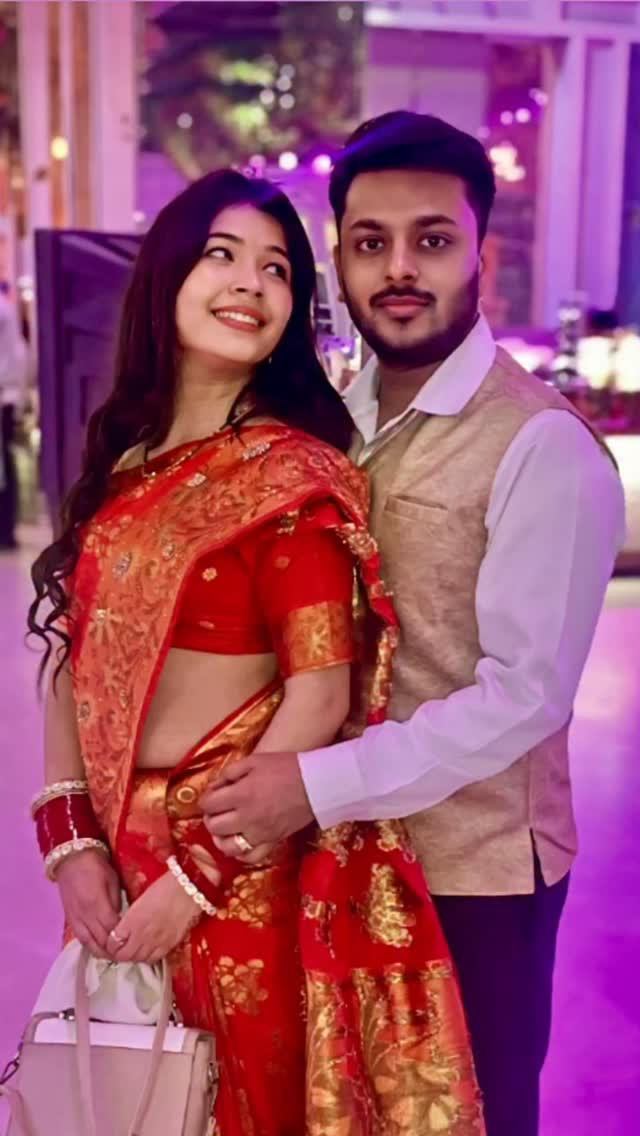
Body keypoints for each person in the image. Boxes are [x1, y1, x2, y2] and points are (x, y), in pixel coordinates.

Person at [27, 169, 485, 1135]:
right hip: (118, 867)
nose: (250, 283)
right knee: (122, 1100)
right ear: (166, 277)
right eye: (221, 255)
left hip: (236, 876)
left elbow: (321, 696)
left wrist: (194, 879)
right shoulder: (124, 463)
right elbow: (74, 659)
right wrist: (70, 844)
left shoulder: (290, 477)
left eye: (277, 269)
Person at [200, 113, 627, 1136]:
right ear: (338, 259)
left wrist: (312, 782)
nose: (398, 267)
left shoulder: (541, 445)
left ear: (482, 256)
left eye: (431, 239)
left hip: (470, 878)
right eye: (370, 241)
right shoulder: (328, 425)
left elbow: (522, 695)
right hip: (327, 856)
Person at [0, 285, 28, 549]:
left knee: (2, 469)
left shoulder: (2, 310)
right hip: (7, 396)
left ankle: (5, 530)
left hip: (2, 396)